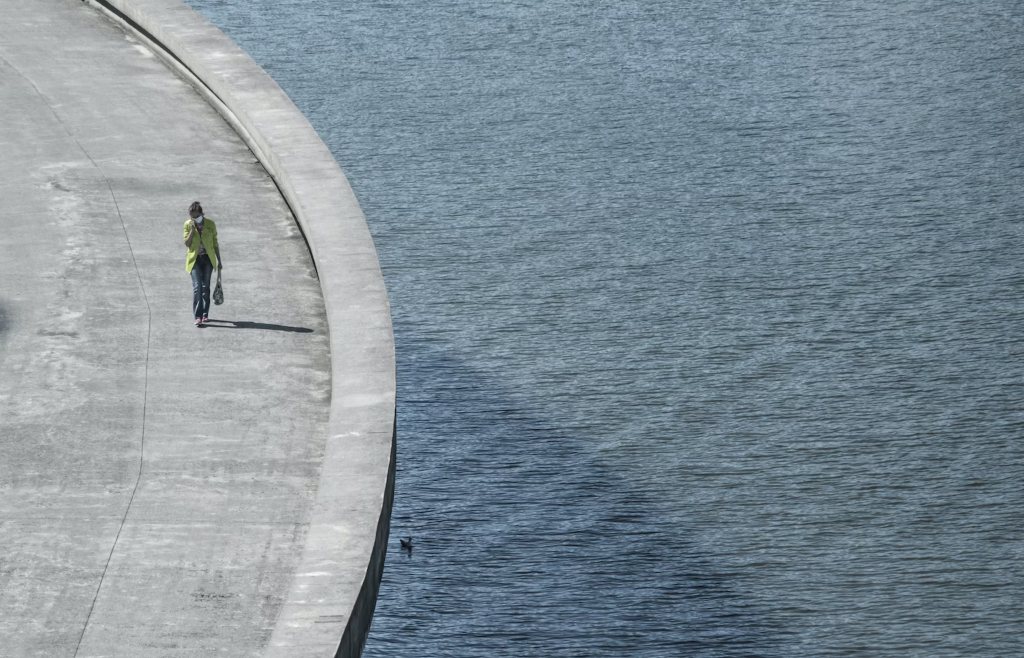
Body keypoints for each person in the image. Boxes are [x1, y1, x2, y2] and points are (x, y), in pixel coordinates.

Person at [183, 201, 222, 326]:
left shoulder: (210, 224)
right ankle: (197, 316)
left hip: (208, 259)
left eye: (195, 216)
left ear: (200, 213)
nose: (193, 218)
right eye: (191, 216)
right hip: (194, 260)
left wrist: (219, 261)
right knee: (197, 287)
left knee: (205, 288)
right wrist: (192, 232)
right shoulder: (188, 225)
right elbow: (187, 243)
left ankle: (205, 314)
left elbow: (215, 243)